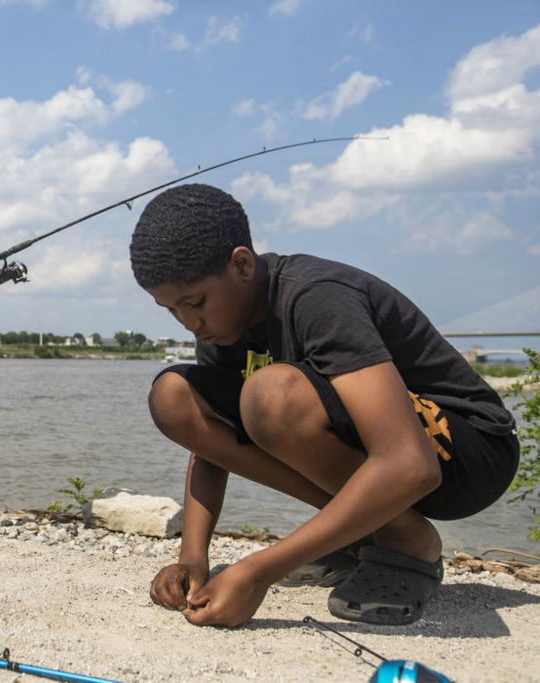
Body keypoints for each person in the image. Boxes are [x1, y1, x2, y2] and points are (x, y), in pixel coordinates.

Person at [130, 184, 518, 627]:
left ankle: (408, 542)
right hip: (394, 457)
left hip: (468, 453)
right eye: (172, 311)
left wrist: (259, 572)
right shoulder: (223, 326)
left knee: (271, 395)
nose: (190, 323)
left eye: (195, 302)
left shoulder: (316, 296)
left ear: (241, 264)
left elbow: (411, 464)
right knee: (175, 396)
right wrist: (193, 556)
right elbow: (212, 447)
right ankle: (370, 529)